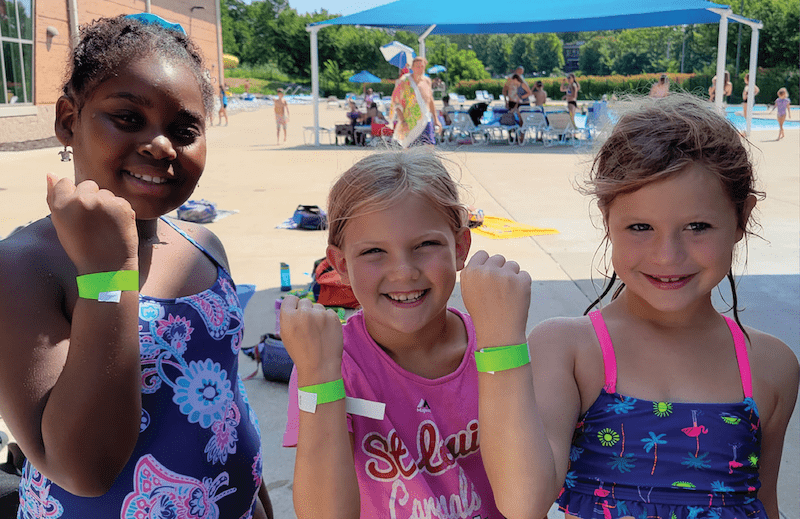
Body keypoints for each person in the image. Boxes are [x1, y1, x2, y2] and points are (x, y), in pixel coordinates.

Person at [466, 94, 799, 519]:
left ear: (741, 218)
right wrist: (499, 341)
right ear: (607, 218)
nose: (667, 255)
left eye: (697, 226)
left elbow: (764, 503)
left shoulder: (771, 365)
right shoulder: (568, 349)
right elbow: (522, 502)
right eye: (640, 227)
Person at [0, 13, 273, 518]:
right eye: (127, 118)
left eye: (184, 128)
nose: (161, 144)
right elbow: (82, 469)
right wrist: (109, 271)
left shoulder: (204, 244)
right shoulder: (22, 267)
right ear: (68, 120)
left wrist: (256, 496)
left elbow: (227, 405)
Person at [281, 147, 503, 518]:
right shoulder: (328, 362)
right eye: (373, 252)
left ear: (461, 247)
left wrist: (506, 344)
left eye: (425, 245)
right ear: (340, 265)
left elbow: (531, 495)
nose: (403, 272)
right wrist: (319, 377)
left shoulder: (496, 347)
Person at [390, 56, 441, 146]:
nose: (420, 69)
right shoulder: (405, 81)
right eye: (418, 66)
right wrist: (402, 121)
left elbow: (430, 101)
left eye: (422, 67)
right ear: (412, 67)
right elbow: (397, 103)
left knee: (429, 146)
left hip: (425, 119)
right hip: (410, 120)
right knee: (409, 149)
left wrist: (436, 119)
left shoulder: (427, 81)